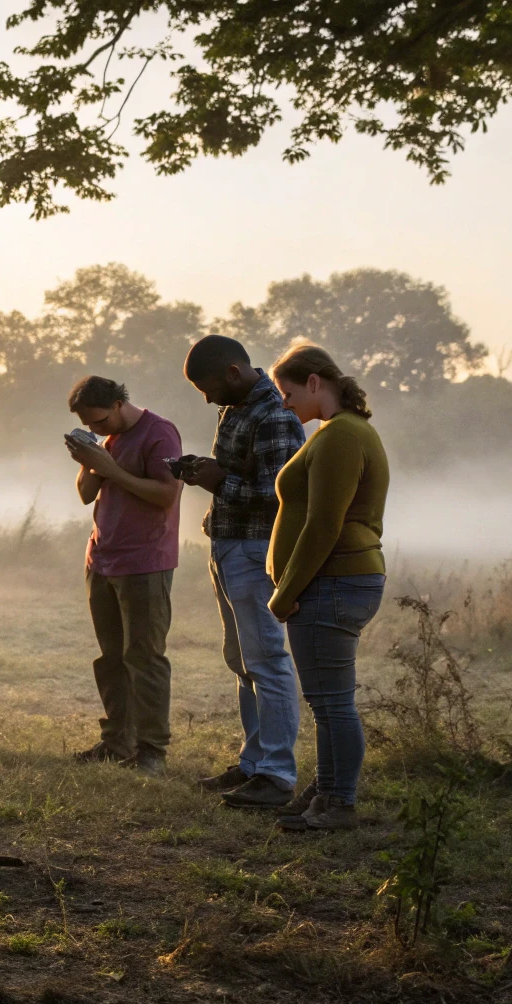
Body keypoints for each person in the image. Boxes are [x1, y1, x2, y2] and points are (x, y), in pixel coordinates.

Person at [181, 334, 307, 810]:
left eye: (207, 386)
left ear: (233, 372)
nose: (208, 397)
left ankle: (276, 773)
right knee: (242, 660)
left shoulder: (274, 414)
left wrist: (220, 482)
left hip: (256, 549)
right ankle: (254, 764)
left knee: (266, 660)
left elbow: (280, 495)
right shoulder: (236, 408)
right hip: (230, 543)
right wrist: (208, 472)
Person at [266, 345, 389, 832]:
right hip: (336, 581)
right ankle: (328, 786)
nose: (284, 403)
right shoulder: (340, 432)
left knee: (333, 702)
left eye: (288, 392)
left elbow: (323, 525)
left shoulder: (340, 436)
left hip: (332, 581)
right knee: (326, 700)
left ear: (314, 383)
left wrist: (284, 591)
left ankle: (339, 801)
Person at [64, 376, 183, 776]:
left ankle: (152, 750)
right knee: (111, 657)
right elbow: (85, 495)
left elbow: (167, 496)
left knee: (144, 657)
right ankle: (117, 741)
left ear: (118, 404)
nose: (96, 430)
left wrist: (110, 468)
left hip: (145, 561)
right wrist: (90, 460)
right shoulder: (107, 441)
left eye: (99, 421)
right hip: (102, 559)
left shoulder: (159, 433)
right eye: (89, 425)